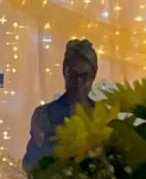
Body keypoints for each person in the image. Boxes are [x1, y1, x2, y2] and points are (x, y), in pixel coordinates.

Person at [23, 39, 98, 171]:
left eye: (84, 75)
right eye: (73, 74)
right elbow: (31, 163)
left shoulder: (101, 115)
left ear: (93, 76)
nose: (78, 82)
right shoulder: (45, 115)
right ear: (65, 73)